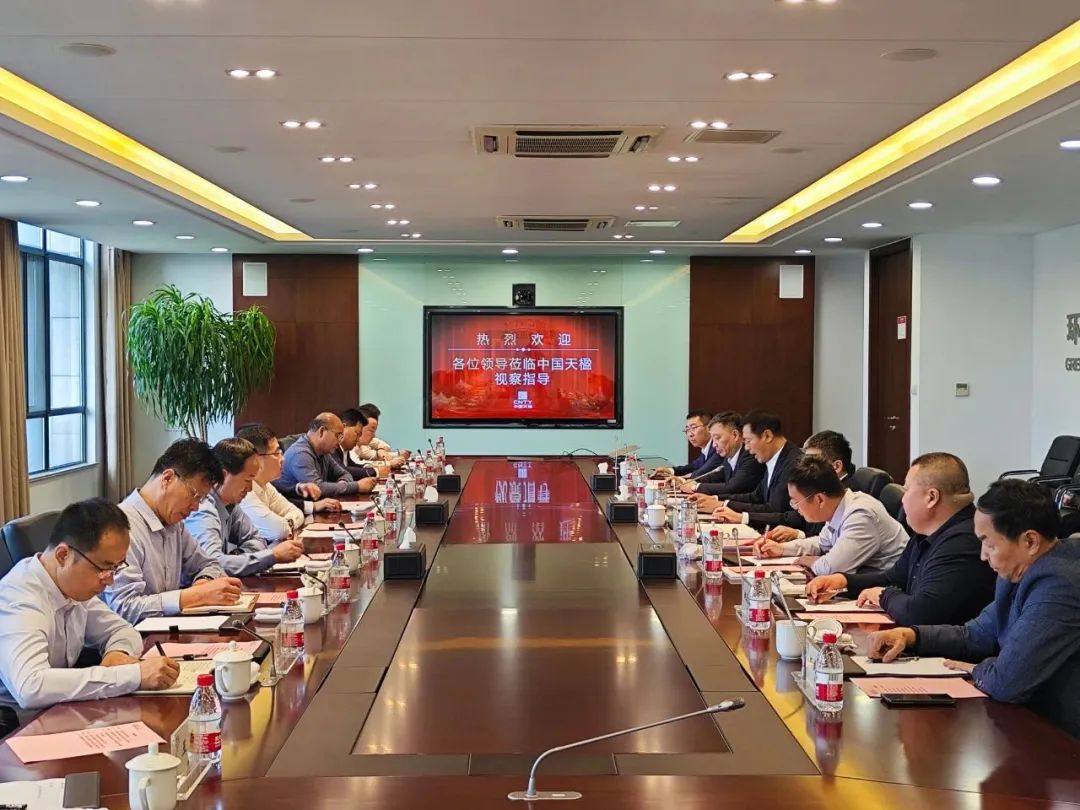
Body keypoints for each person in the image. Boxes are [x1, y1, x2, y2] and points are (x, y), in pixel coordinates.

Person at [867, 480, 1080, 738]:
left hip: (1062, 736)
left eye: (989, 544)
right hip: (1030, 720)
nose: (983, 555)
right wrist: (912, 636)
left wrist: (977, 668)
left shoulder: (1060, 584)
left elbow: (1005, 682)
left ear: (1030, 541)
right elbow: (976, 634)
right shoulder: (1019, 569)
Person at [0, 499, 180, 717]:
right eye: (104, 568)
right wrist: (132, 676)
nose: (110, 581)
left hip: (63, 710)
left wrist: (117, 654)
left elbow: (122, 630)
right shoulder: (20, 598)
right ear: (63, 555)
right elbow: (31, 687)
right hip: (19, 724)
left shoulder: (73, 586)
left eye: (116, 568)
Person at [806, 453, 996, 626]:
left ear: (931, 497)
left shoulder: (962, 542)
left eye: (907, 490)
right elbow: (895, 578)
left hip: (947, 649)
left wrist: (883, 595)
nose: (903, 500)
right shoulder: (926, 532)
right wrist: (844, 581)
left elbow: (920, 613)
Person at [105, 439, 244, 624]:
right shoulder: (121, 527)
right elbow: (124, 608)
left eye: (201, 500)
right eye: (194, 495)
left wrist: (204, 581)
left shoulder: (174, 523)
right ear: (168, 478)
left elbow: (209, 563)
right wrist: (196, 596)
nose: (195, 507)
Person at [753, 455, 908, 576]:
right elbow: (821, 543)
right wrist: (781, 549)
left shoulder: (861, 515)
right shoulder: (840, 506)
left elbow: (830, 568)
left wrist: (814, 561)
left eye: (796, 502)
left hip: (886, 590)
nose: (795, 508)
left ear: (819, 499)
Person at [186, 438, 305, 576]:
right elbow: (213, 564)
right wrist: (273, 556)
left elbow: (258, 540)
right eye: (247, 480)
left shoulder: (231, 503)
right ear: (224, 475)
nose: (250, 489)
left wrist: (235, 559)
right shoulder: (202, 509)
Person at [236, 424, 340, 542]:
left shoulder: (266, 485)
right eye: (276, 453)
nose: (283, 459)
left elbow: (297, 513)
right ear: (257, 459)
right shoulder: (244, 492)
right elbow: (278, 531)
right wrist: (286, 525)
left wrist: (285, 524)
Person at [707, 411, 806, 531]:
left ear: (767, 436)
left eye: (748, 441)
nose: (746, 448)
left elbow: (776, 509)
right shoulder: (773, 458)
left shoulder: (794, 463)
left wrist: (743, 517)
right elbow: (757, 497)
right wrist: (719, 501)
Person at [275, 412, 377, 497]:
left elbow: (344, 474)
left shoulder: (324, 452)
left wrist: (343, 485)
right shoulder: (300, 453)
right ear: (322, 431)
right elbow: (317, 488)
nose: (340, 441)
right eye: (338, 435)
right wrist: (357, 486)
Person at [681, 411, 764, 497]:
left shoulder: (750, 456)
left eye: (717, 438)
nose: (714, 445)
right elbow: (714, 476)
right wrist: (690, 482)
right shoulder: (728, 457)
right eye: (713, 439)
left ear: (735, 435)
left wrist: (696, 487)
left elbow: (733, 487)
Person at [653, 411, 722, 480]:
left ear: (708, 428)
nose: (690, 434)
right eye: (687, 430)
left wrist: (678, 479)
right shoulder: (706, 449)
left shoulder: (718, 447)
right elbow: (693, 466)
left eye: (693, 428)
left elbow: (702, 473)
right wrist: (669, 470)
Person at [335, 408, 381, 480]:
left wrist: (371, 468)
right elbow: (342, 469)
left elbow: (352, 465)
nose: (358, 439)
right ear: (343, 428)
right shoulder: (332, 447)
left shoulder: (345, 448)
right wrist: (375, 471)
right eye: (357, 434)